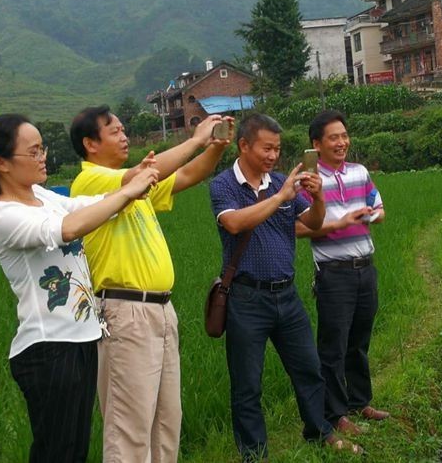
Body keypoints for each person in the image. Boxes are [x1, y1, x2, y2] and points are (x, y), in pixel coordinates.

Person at [0, 114, 158, 462]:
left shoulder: (41, 196)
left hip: (81, 340)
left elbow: (85, 207)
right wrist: (128, 189)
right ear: (1, 163)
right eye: (34, 152)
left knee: (73, 450)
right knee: (58, 453)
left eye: (43, 149)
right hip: (49, 348)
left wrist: (132, 184)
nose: (43, 158)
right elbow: (68, 228)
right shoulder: (2, 214)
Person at [69, 105, 232, 463]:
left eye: (124, 129)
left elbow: (188, 174)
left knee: (165, 421)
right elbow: (151, 171)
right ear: (90, 144)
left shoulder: (137, 186)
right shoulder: (92, 181)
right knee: (130, 427)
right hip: (125, 312)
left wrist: (216, 146)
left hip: (160, 311)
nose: (124, 136)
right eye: (114, 131)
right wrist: (196, 139)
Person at [209, 113, 362, 462]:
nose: (273, 156)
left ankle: (319, 431)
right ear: (244, 144)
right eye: (266, 148)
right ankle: (254, 453)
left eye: (277, 149)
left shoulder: (281, 181)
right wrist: (280, 197)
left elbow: (314, 222)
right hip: (247, 298)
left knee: (308, 368)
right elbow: (234, 223)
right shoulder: (224, 185)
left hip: (287, 295)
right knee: (247, 384)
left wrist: (318, 197)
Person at [296, 109, 389, 437]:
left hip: (365, 269)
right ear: (316, 144)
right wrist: (340, 222)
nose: (342, 142)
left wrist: (368, 216)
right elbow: (297, 227)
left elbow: (380, 209)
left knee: (359, 340)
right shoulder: (307, 182)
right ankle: (335, 414)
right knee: (333, 347)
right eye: (333, 137)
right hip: (334, 274)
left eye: (344, 136)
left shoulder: (359, 172)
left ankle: (360, 400)